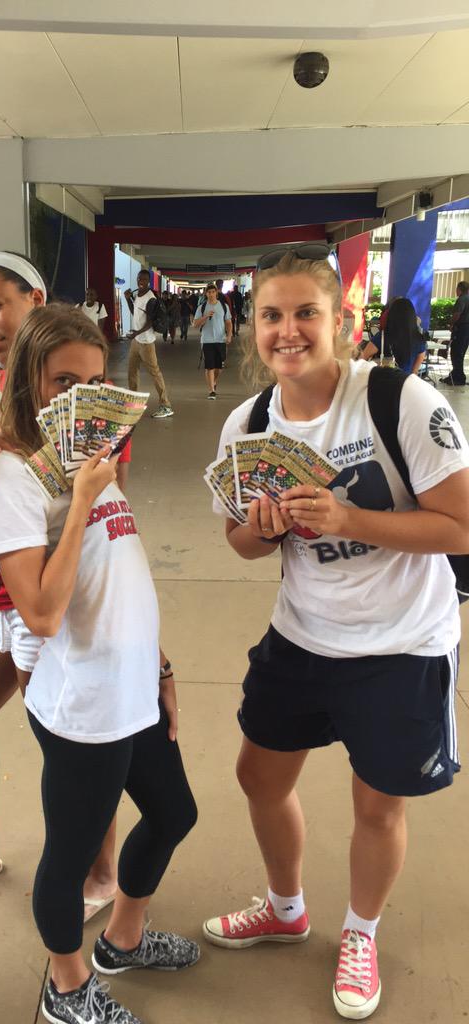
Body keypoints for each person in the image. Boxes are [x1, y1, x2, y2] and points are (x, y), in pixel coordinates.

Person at [203, 247, 469, 1021]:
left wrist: (351, 518)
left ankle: (360, 932)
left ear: (340, 321)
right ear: (253, 328)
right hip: (303, 634)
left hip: (401, 644)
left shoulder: (401, 401)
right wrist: (262, 530)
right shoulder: (248, 423)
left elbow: (461, 528)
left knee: (377, 806)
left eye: (305, 313)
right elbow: (239, 544)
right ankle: (286, 908)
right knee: (260, 777)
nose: (288, 331)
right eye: (272, 316)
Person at [0, 304, 199, 1024]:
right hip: (82, 703)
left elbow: (120, 572)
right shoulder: (14, 475)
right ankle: (64, 985)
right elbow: (40, 611)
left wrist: (161, 667)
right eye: (63, 382)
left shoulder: (99, 455)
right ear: (29, 383)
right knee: (71, 855)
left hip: (133, 682)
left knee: (173, 812)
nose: (83, 397)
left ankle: (123, 939)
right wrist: (77, 504)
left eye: (98, 379)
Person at [0, 252, 129, 924]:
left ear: (33, 297)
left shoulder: (86, 396)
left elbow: (105, 513)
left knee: (75, 755)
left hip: (50, 606)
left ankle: (102, 873)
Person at [125, 270, 174, 419]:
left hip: (146, 342)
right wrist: (128, 299)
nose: (141, 281)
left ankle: (166, 406)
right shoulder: (137, 294)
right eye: (139, 278)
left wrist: (136, 333)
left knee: (155, 373)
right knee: (132, 372)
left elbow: (150, 323)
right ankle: (134, 403)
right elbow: (136, 313)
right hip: (136, 342)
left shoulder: (151, 298)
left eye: (144, 279)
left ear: (149, 281)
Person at [360, 296, 426, 375]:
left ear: (391, 315)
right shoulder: (419, 340)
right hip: (405, 384)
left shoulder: (382, 337)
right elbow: (414, 372)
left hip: (382, 382)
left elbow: (362, 359)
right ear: (412, 316)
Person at [194, 282, 232, 399]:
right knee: (209, 366)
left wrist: (229, 334)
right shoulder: (202, 308)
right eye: (209, 292)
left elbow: (228, 322)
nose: (211, 294)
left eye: (213, 292)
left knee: (219, 368)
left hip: (220, 340)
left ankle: (214, 381)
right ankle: (211, 391)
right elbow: (195, 324)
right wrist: (205, 316)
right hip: (207, 340)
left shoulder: (223, 306)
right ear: (206, 294)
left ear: (216, 293)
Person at [443, 280, 469, 385]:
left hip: (461, 329)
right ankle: (455, 375)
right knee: (460, 353)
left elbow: (457, 314)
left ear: (459, 289)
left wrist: (451, 324)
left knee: (456, 353)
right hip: (466, 330)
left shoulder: (462, 299)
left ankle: (459, 378)